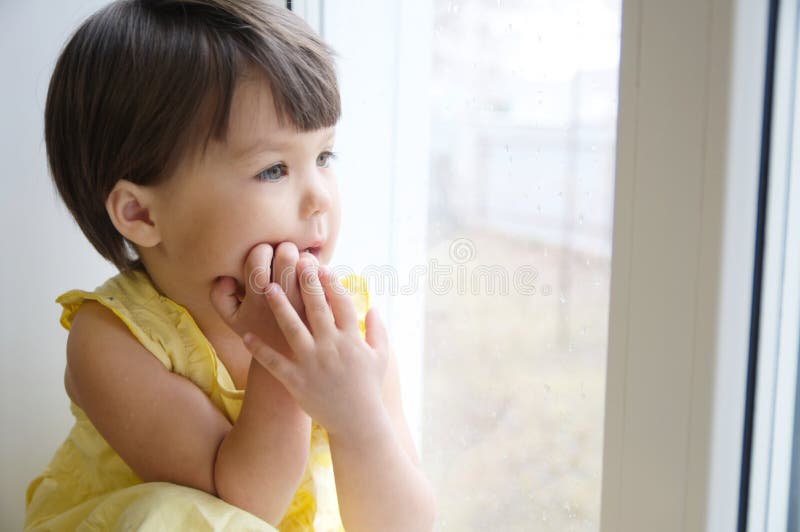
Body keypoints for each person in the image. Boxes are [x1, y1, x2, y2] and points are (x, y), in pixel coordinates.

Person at [24, 1, 436, 530]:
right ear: (141, 213)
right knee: (165, 513)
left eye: (324, 158)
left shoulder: (343, 333)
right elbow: (239, 511)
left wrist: (357, 417)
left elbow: (406, 525)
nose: (319, 199)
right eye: (273, 169)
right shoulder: (109, 338)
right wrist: (279, 357)